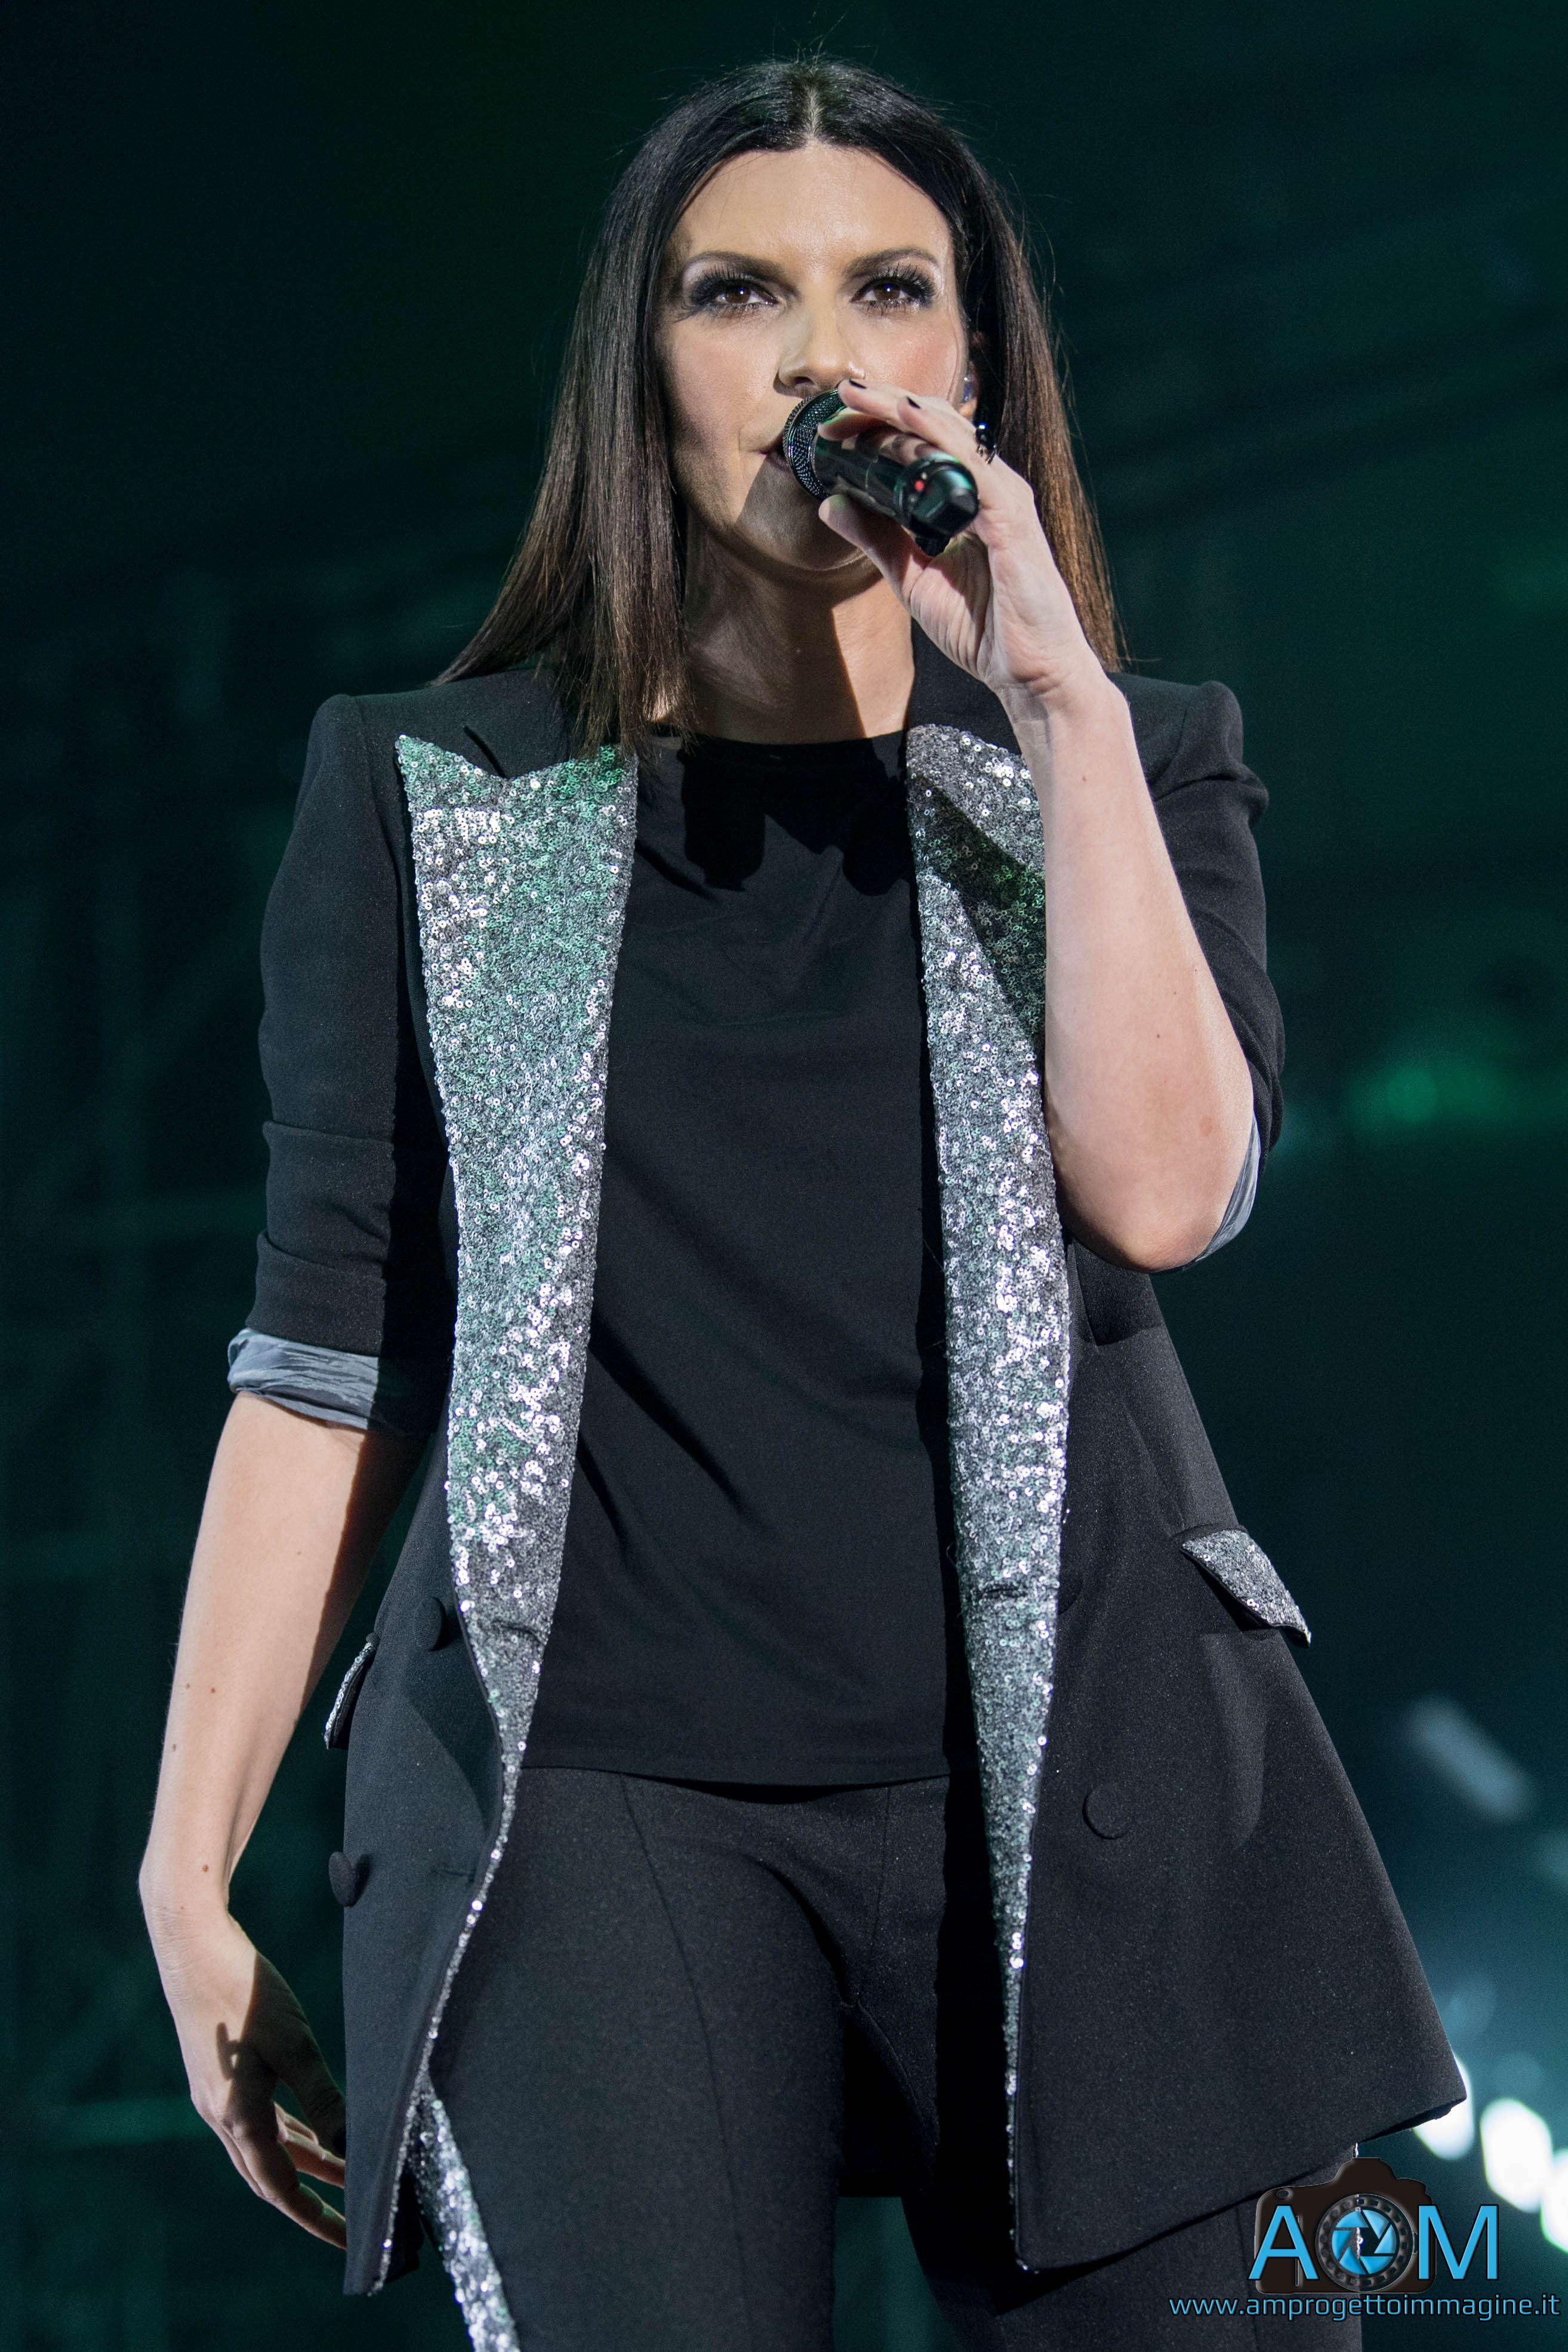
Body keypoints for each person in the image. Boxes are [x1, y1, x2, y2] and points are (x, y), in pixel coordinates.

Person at [139, 56, 1460, 2352]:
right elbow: (326, 1351)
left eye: (890, 290)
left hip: (1100, 1774)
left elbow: (1167, 1186)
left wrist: (1050, 697)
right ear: (641, 363)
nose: (819, 357)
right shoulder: (430, 795)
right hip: (602, 1796)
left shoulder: (1127, 756)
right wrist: (186, 1856)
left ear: (974, 368)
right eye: (737, 292)